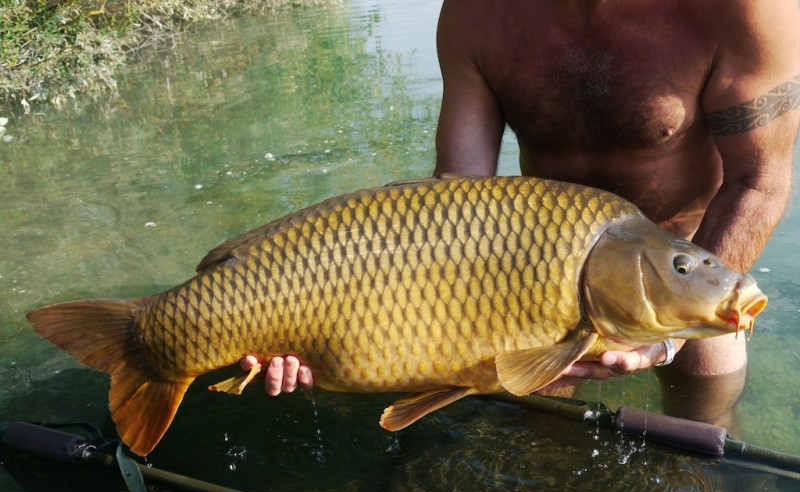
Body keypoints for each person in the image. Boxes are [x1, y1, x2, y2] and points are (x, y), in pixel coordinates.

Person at [251, 0, 800, 426]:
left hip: (685, 267)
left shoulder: (746, 12)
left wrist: (670, 339)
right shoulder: (477, 14)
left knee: (704, 435)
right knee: (539, 439)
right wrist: (325, 326)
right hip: (529, 281)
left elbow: (760, 180)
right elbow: (454, 202)